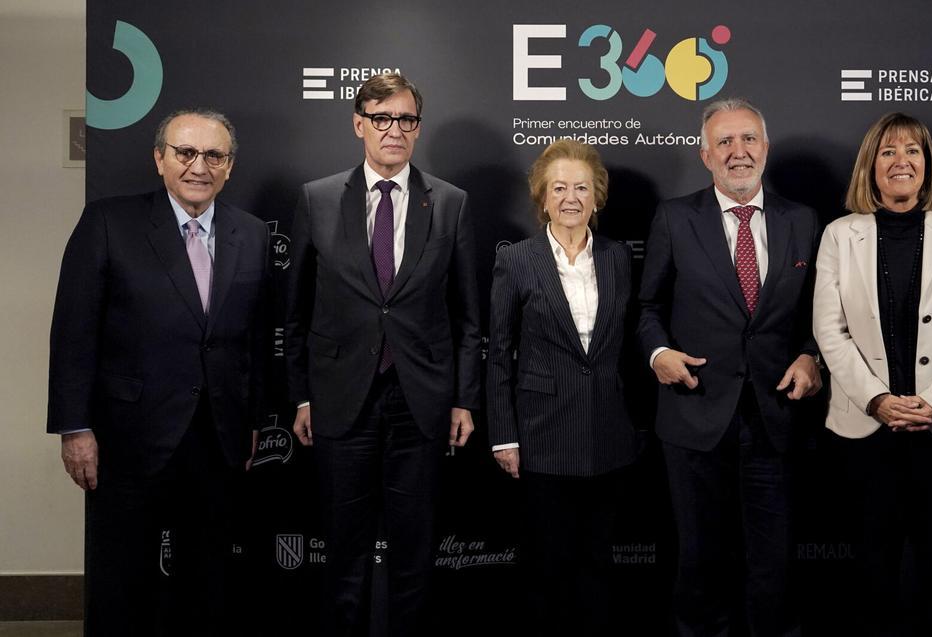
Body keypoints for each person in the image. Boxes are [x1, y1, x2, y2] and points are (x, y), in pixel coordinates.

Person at [48, 109, 270, 636]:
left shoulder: (253, 234)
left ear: (230, 167)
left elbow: (257, 340)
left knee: (208, 583)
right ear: (159, 158)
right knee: (121, 586)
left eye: (213, 155)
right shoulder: (108, 222)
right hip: (127, 437)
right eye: (185, 153)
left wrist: (256, 416)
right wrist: (74, 428)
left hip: (217, 438)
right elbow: (73, 333)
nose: (199, 166)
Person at [284, 72, 481, 635]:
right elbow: (294, 316)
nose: (394, 130)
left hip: (420, 402)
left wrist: (464, 399)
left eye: (406, 120)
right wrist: (299, 394)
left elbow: (469, 317)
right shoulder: (317, 199)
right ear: (358, 124)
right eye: (382, 118)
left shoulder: (450, 203)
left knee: (415, 551)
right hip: (340, 399)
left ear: (418, 128)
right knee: (343, 551)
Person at [638, 98, 821, 637]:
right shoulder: (674, 217)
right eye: (725, 142)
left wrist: (812, 354)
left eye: (748, 140)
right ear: (705, 154)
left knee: (774, 564)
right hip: (694, 416)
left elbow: (821, 310)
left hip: (776, 417)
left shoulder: (803, 220)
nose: (738, 153)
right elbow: (647, 307)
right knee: (699, 561)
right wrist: (658, 353)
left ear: (765, 149)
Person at [813, 112, 932, 636]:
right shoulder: (839, 235)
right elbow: (829, 330)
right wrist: (877, 400)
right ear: (871, 165)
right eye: (889, 151)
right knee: (873, 566)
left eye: (913, 150)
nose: (901, 161)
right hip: (866, 428)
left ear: (927, 163)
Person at [487, 139, 637, 636]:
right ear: (542, 198)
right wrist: (504, 435)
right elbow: (500, 352)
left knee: (598, 566)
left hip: (608, 436)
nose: (571, 197)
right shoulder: (518, 260)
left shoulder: (618, 258)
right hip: (541, 436)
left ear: (597, 197)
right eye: (559, 188)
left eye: (581, 187)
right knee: (546, 568)